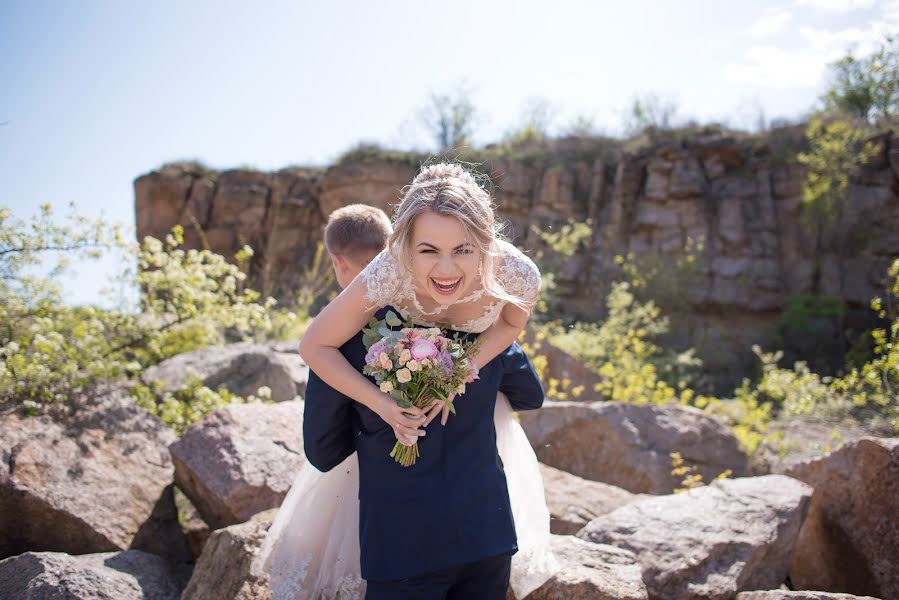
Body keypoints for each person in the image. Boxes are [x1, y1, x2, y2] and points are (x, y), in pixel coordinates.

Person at [256, 163, 558, 598]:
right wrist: (381, 403)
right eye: (429, 250)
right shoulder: (386, 273)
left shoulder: (518, 274)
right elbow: (314, 346)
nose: (447, 270)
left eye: (465, 250)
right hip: (400, 510)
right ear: (404, 246)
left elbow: (510, 325)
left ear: (487, 243)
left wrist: (460, 370)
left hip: (477, 495)